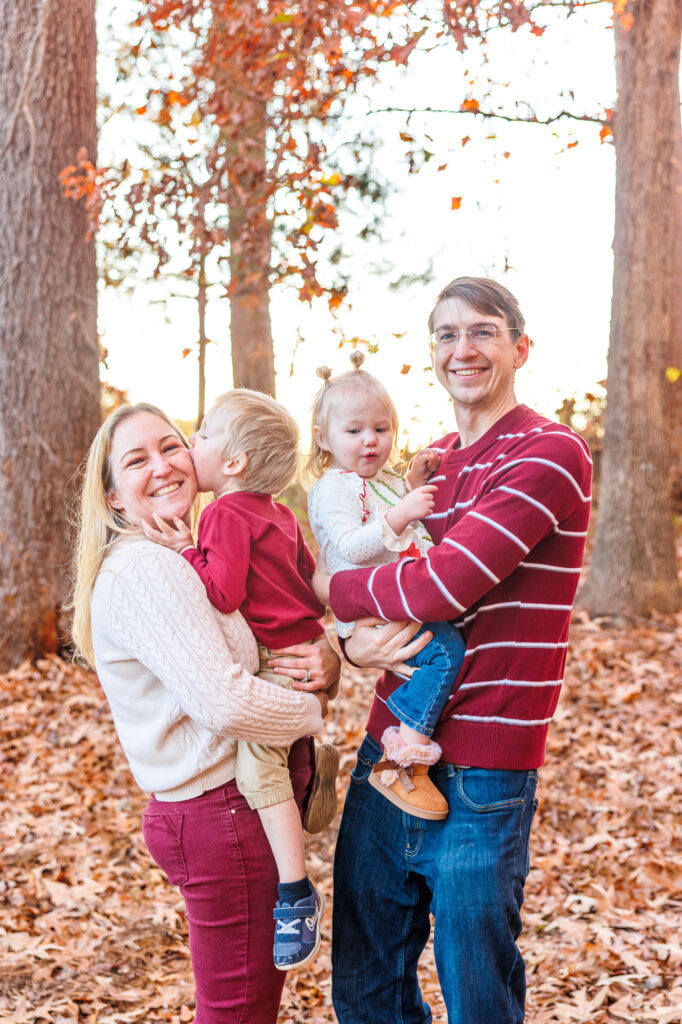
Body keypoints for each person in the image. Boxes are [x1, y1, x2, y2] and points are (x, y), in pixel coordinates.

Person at [324, 277, 593, 1024]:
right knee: (367, 990)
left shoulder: (550, 453)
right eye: (446, 334)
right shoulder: (431, 462)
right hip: (388, 753)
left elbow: (440, 586)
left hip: (484, 768)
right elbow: (376, 559)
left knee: (478, 1000)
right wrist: (352, 643)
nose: (462, 349)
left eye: (482, 332)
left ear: (520, 348)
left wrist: (335, 599)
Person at [70, 402, 340, 1024]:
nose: (164, 465)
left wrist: (325, 659)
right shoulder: (146, 569)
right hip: (220, 815)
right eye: (136, 460)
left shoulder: (190, 550)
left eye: (171, 446)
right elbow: (226, 701)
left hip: (234, 808)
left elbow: (276, 620)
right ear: (112, 497)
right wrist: (312, 708)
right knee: (237, 1014)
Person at [142, 388, 339, 970]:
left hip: (279, 662)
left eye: (202, 435)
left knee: (258, 771)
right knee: (274, 758)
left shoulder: (223, 514)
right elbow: (310, 587)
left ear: (233, 462)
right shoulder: (279, 513)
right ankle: (311, 767)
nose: (191, 440)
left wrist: (188, 551)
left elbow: (223, 592)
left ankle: (296, 892)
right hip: (300, 648)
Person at [306, 352, 466, 820]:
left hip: (390, 600)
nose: (370, 440)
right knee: (444, 652)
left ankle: (406, 735)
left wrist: (409, 484)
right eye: (354, 430)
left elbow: (390, 516)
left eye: (381, 428)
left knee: (440, 648)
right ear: (323, 438)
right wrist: (401, 512)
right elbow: (351, 547)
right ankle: (402, 761)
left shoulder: (376, 480)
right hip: (370, 609)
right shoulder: (334, 488)